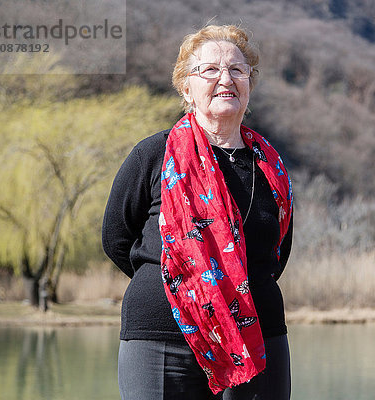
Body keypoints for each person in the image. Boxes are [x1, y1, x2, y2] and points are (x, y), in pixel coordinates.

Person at [102, 24, 293, 400]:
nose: (226, 79)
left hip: (258, 338)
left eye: (238, 70)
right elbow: (116, 237)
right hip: (161, 338)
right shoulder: (153, 155)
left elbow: (277, 254)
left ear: (250, 84)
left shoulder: (271, 167)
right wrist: (185, 283)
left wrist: (233, 289)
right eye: (210, 70)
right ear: (186, 86)